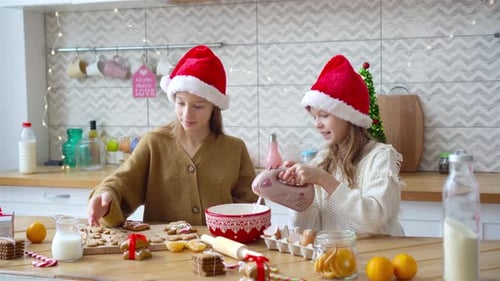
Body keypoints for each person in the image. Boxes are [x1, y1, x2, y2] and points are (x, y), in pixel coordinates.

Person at [87, 45, 258, 227]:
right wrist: (106, 195)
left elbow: (250, 206)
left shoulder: (234, 149)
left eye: (198, 106)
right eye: (180, 103)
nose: (186, 114)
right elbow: (122, 182)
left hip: (220, 251)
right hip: (162, 252)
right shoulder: (154, 143)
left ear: (214, 107)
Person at [278, 54, 404, 236]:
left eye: (324, 115)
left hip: (378, 260)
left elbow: (373, 220)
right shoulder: (321, 161)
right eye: (314, 117)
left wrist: (324, 179)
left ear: (348, 117)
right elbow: (306, 227)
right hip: (335, 258)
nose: (317, 124)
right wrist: (297, 193)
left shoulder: (381, 156)